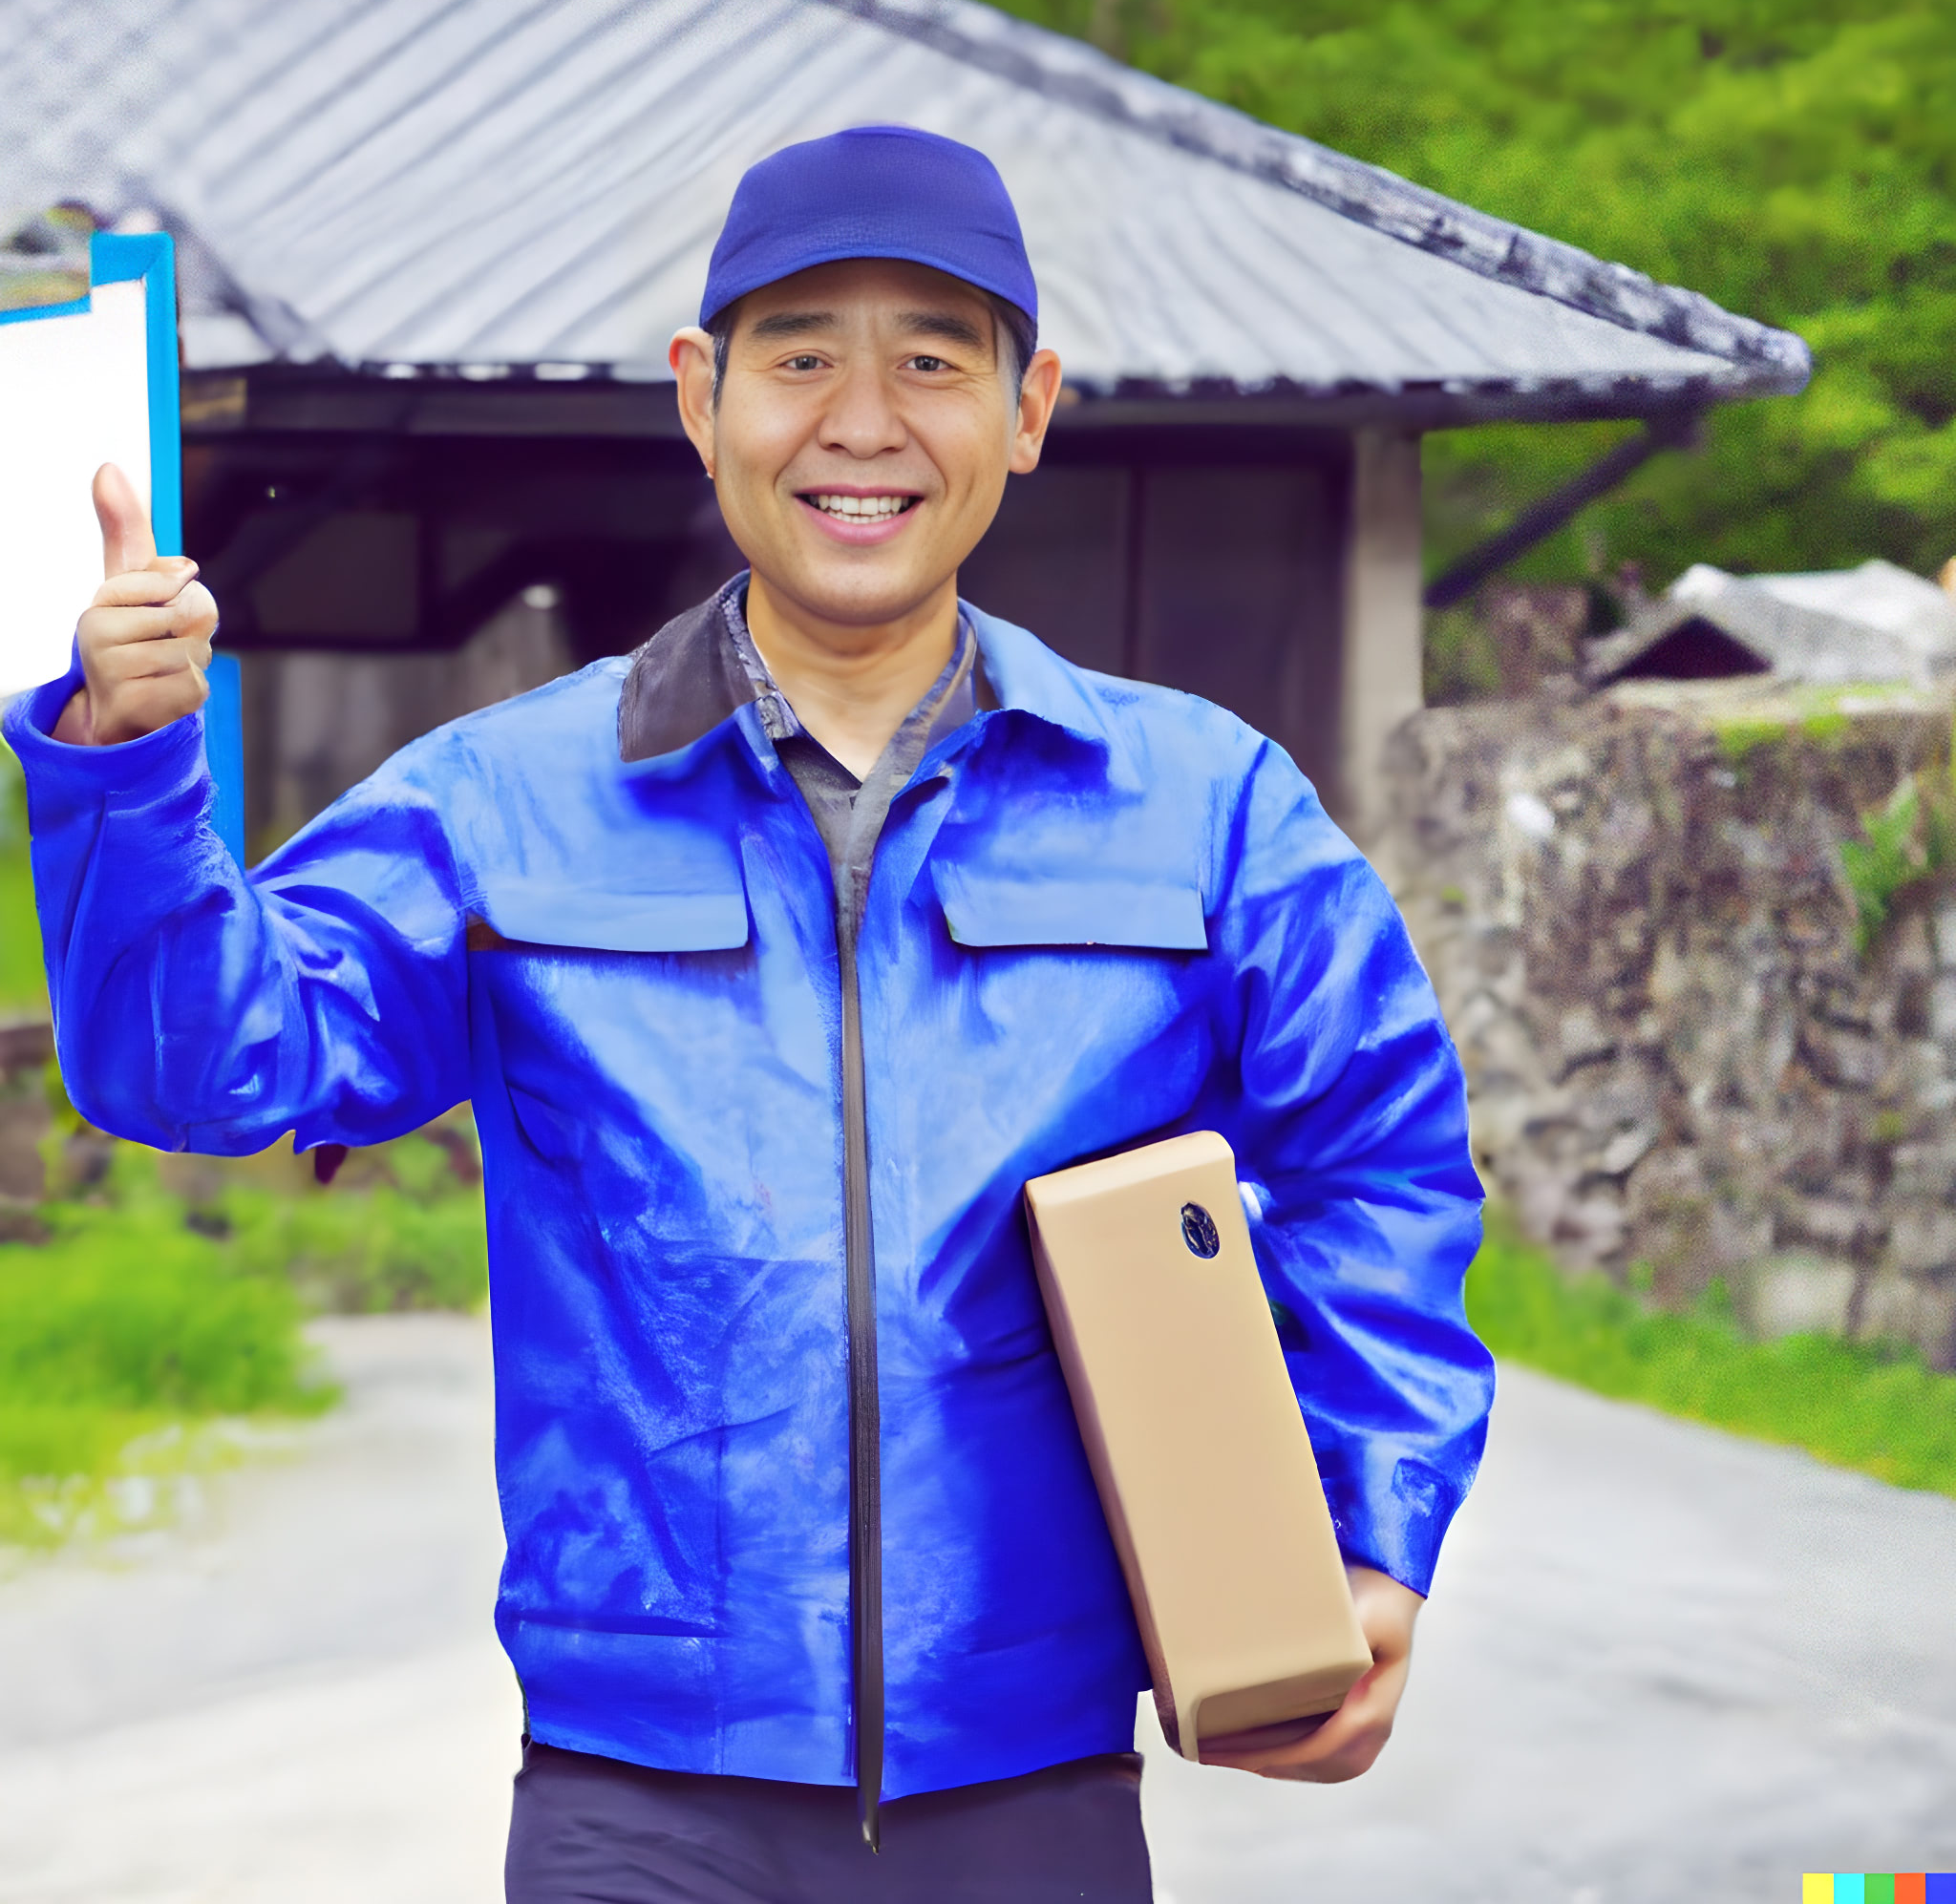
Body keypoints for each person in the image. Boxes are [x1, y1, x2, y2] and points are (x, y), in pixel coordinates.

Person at [6, 126, 1493, 1902]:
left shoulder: (1204, 806)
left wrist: (1366, 1529)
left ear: (1030, 410)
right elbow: (194, 1061)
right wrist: (122, 764)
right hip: (637, 1799)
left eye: (933, 361)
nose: (862, 423)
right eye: (799, 358)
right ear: (700, 398)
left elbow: (1383, 1163)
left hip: (1033, 1789)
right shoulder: (502, 802)